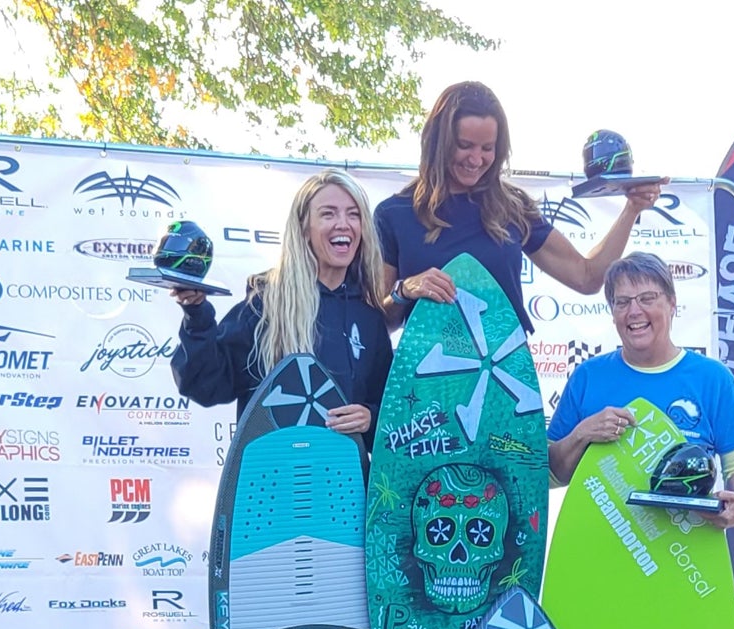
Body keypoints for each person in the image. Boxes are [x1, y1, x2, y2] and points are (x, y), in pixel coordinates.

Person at [376, 80, 660, 330]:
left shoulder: (511, 207)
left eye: (488, 148)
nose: (476, 160)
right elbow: (380, 323)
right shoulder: (394, 214)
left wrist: (631, 209)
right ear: (438, 141)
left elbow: (586, 278)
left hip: (504, 377)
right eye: (465, 145)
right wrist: (405, 289)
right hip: (426, 383)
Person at [546, 253, 734, 531]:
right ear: (612, 313)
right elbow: (551, 474)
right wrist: (582, 434)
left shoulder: (712, 378)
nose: (634, 311)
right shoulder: (587, 376)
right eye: (622, 302)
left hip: (686, 557)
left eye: (647, 298)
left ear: (672, 304)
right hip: (596, 552)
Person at [169, 170, 391, 435]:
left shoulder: (368, 315)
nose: (343, 223)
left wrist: (370, 418)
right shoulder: (267, 302)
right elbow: (206, 384)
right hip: (271, 471)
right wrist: (196, 315)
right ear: (304, 228)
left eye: (353, 214)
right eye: (328, 213)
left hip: (342, 472)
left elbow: (391, 408)